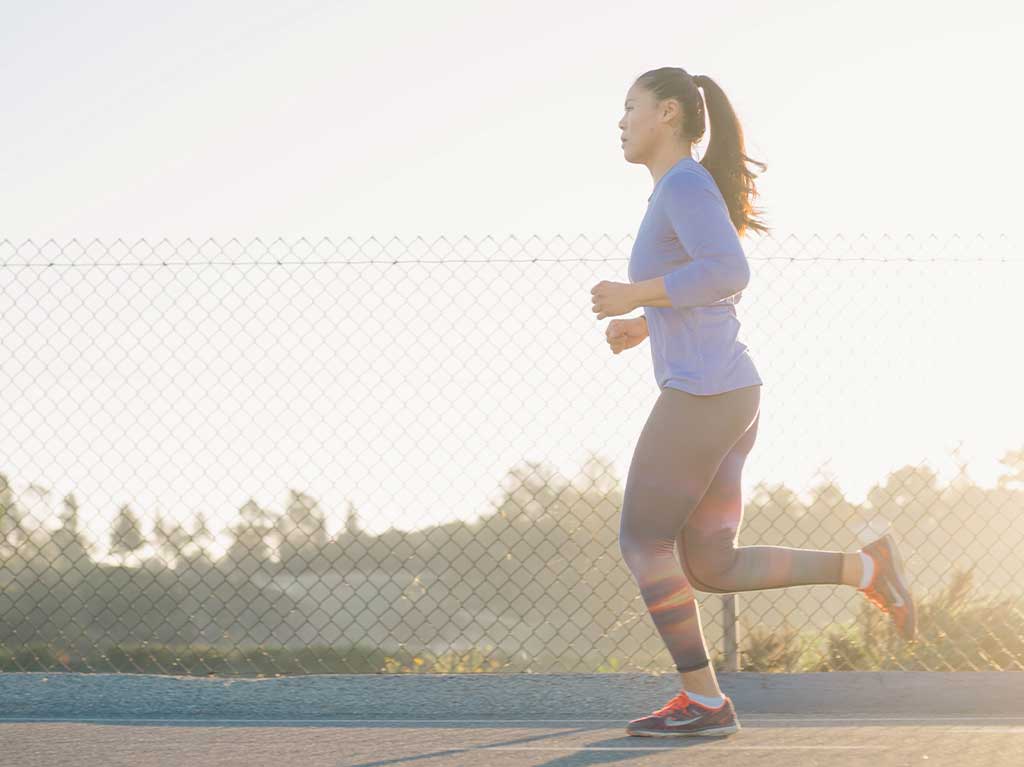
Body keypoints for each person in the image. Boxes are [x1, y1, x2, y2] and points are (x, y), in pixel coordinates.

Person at [590, 67, 916, 739]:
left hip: (706, 394)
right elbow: (708, 284)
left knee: (643, 537)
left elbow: (730, 271)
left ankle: (705, 702)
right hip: (728, 392)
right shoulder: (676, 190)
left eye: (631, 107)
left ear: (670, 114)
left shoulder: (682, 183)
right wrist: (645, 323)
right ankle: (869, 567)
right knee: (711, 563)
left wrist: (636, 294)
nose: (620, 121)